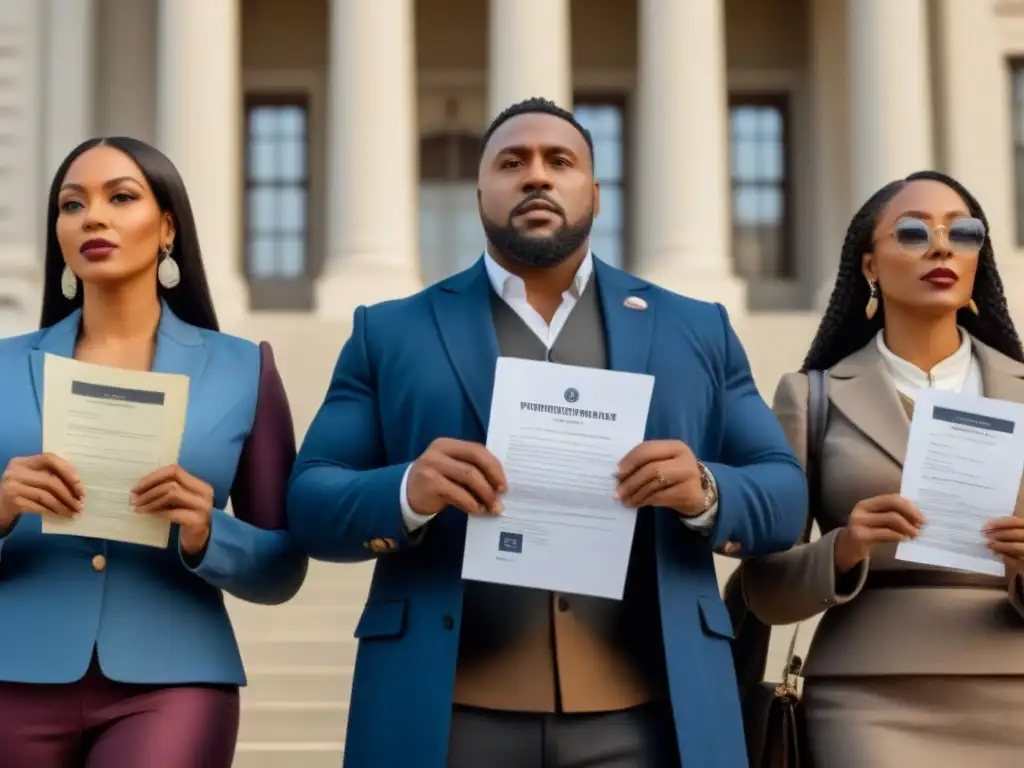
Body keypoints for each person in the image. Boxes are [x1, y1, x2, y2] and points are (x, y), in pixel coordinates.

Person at [288, 97, 807, 768]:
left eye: (559, 162)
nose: (536, 176)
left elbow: (783, 494)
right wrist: (408, 490)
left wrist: (705, 489)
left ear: (593, 191)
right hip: (443, 718)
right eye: (512, 162)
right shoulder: (389, 332)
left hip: (649, 720)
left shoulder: (694, 328)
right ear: (480, 191)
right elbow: (310, 499)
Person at [0, 137, 309, 768]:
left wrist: (206, 532)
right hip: (11, 672)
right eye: (72, 204)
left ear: (167, 226)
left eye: (120, 197)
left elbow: (283, 566)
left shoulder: (244, 370)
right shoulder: (2, 368)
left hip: (176, 680)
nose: (93, 217)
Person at [740, 170, 1024, 768]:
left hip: (1012, 683)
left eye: (963, 233)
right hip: (864, 691)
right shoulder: (809, 396)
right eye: (914, 232)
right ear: (869, 266)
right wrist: (842, 549)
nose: (942, 247)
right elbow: (763, 587)